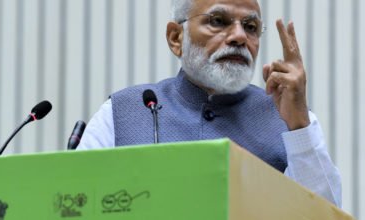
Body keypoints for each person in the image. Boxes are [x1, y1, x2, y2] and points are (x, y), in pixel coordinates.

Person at [77, 0, 341, 207]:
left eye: (250, 27)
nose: (239, 36)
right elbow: (78, 203)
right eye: (218, 21)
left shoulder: (291, 121)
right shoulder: (122, 112)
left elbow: (325, 214)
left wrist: (299, 126)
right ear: (176, 38)